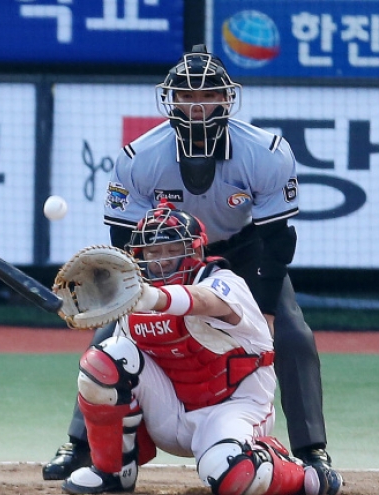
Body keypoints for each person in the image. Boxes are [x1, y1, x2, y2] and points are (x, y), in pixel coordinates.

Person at [43, 44, 343, 495]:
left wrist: (264, 309)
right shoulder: (139, 157)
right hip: (166, 253)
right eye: (186, 96)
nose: (196, 105)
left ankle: (310, 450)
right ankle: (79, 445)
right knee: (111, 337)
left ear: (227, 99)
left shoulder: (265, 151)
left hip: (244, 250)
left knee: (294, 334)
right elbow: (125, 240)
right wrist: (131, 289)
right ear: (171, 101)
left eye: (207, 96)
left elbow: (278, 240)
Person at [60, 204, 337, 495]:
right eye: (154, 252)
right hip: (170, 412)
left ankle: (298, 473)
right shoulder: (136, 298)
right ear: (141, 257)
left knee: (234, 476)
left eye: (172, 249)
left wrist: (150, 296)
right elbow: (120, 367)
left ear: (194, 251)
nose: (163, 260)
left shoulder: (223, 281)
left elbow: (203, 301)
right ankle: (112, 473)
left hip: (234, 407)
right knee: (103, 360)